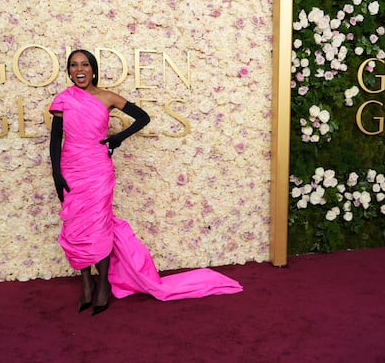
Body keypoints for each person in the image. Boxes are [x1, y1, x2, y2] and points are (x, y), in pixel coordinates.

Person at [49, 50, 242, 315]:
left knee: (99, 224)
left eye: (84, 64)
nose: (79, 69)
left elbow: (143, 117)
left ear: (93, 69)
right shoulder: (63, 100)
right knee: (77, 227)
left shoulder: (108, 97)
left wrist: (118, 138)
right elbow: (54, 141)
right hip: (71, 169)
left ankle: (103, 284)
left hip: (98, 170)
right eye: (73, 65)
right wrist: (56, 174)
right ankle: (86, 284)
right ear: (69, 70)